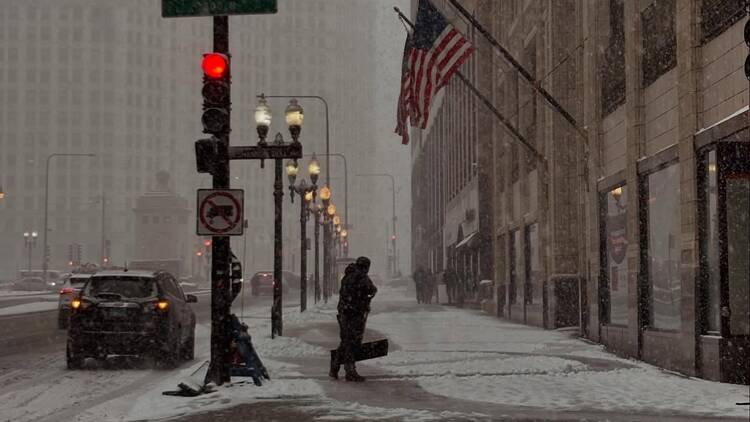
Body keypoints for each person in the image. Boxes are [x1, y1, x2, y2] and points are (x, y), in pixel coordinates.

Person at [330, 256, 377, 382]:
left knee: (346, 340)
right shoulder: (360, 276)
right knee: (352, 342)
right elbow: (372, 289)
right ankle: (349, 370)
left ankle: (335, 366)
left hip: (345, 312)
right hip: (354, 313)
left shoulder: (348, 275)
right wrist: (364, 298)